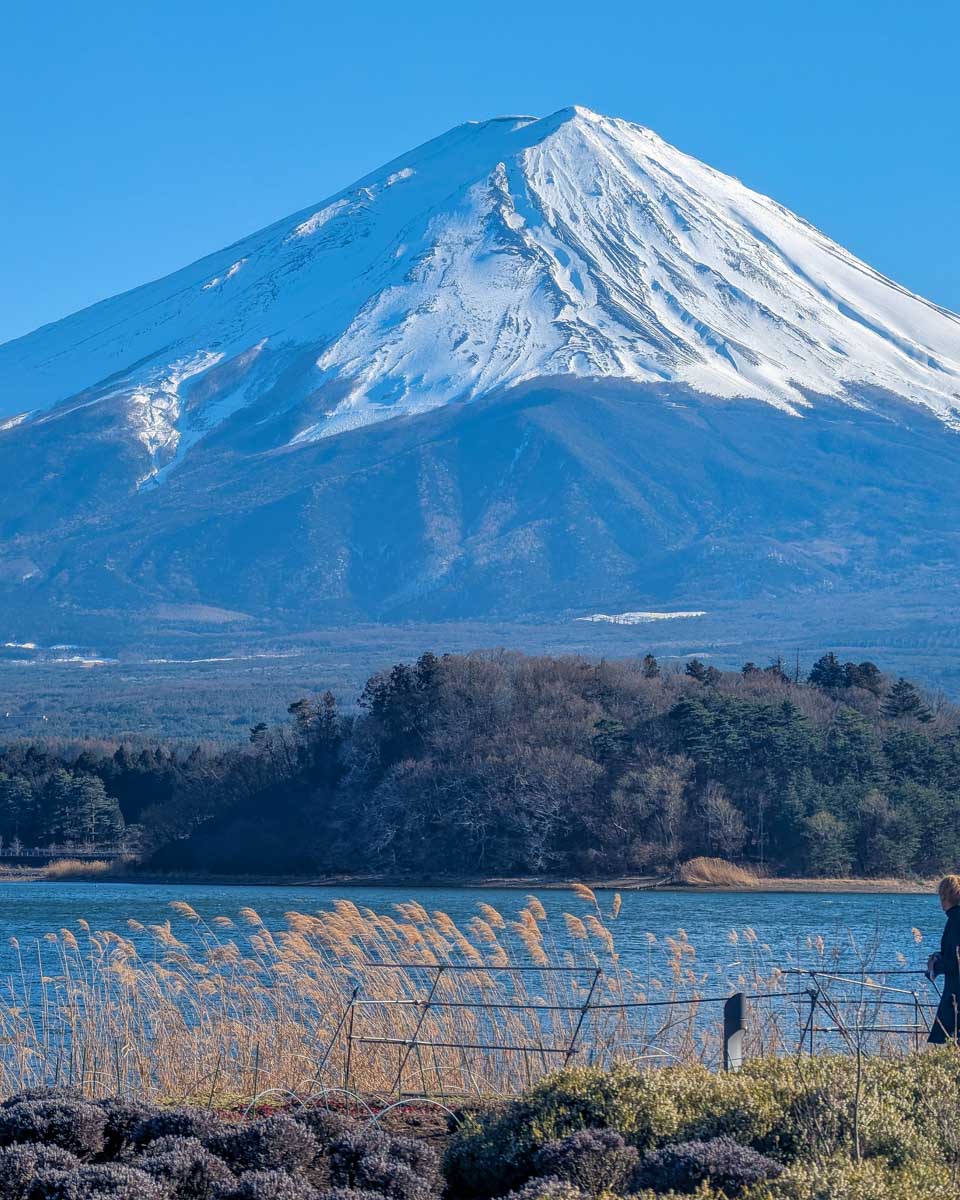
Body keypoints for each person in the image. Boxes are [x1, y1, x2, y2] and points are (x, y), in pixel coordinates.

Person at [926, 874, 960, 1044]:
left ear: (944, 896)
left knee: (952, 1042)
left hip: (956, 994)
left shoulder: (955, 919)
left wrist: (935, 966)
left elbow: (956, 961)